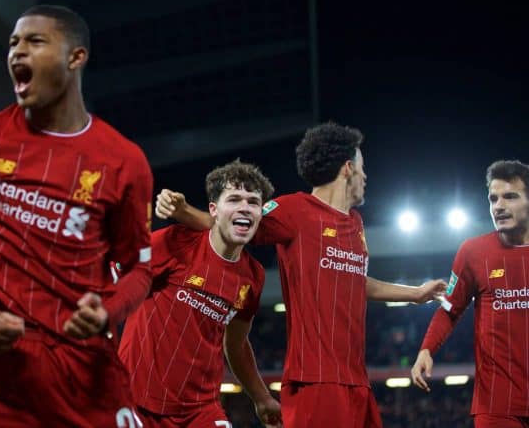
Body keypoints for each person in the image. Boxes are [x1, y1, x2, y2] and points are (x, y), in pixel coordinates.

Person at [0, 5, 152, 427]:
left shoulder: (124, 161)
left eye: (35, 41)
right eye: (13, 42)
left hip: (82, 374)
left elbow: (139, 271)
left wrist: (108, 311)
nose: (17, 52)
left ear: (75, 57)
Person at [155, 121, 446, 428]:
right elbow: (230, 226)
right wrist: (183, 212)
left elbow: (353, 281)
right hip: (315, 381)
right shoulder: (294, 210)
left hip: (357, 382)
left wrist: (415, 293)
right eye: (363, 167)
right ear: (348, 167)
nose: (366, 175)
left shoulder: (355, 223)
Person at [118, 159, 282, 428]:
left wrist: (262, 397)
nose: (245, 207)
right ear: (213, 210)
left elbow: (237, 344)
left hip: (200, 410)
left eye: (253, 202)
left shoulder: (253, 276)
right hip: (137, 401)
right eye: (235, 199)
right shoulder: (174, 242)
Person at [411, 160, 529, 428]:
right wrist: (426, 349)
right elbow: (449, 309)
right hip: (497, 407)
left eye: (510, 197)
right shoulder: (474, 252)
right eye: (493, 198)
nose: (499, 206)